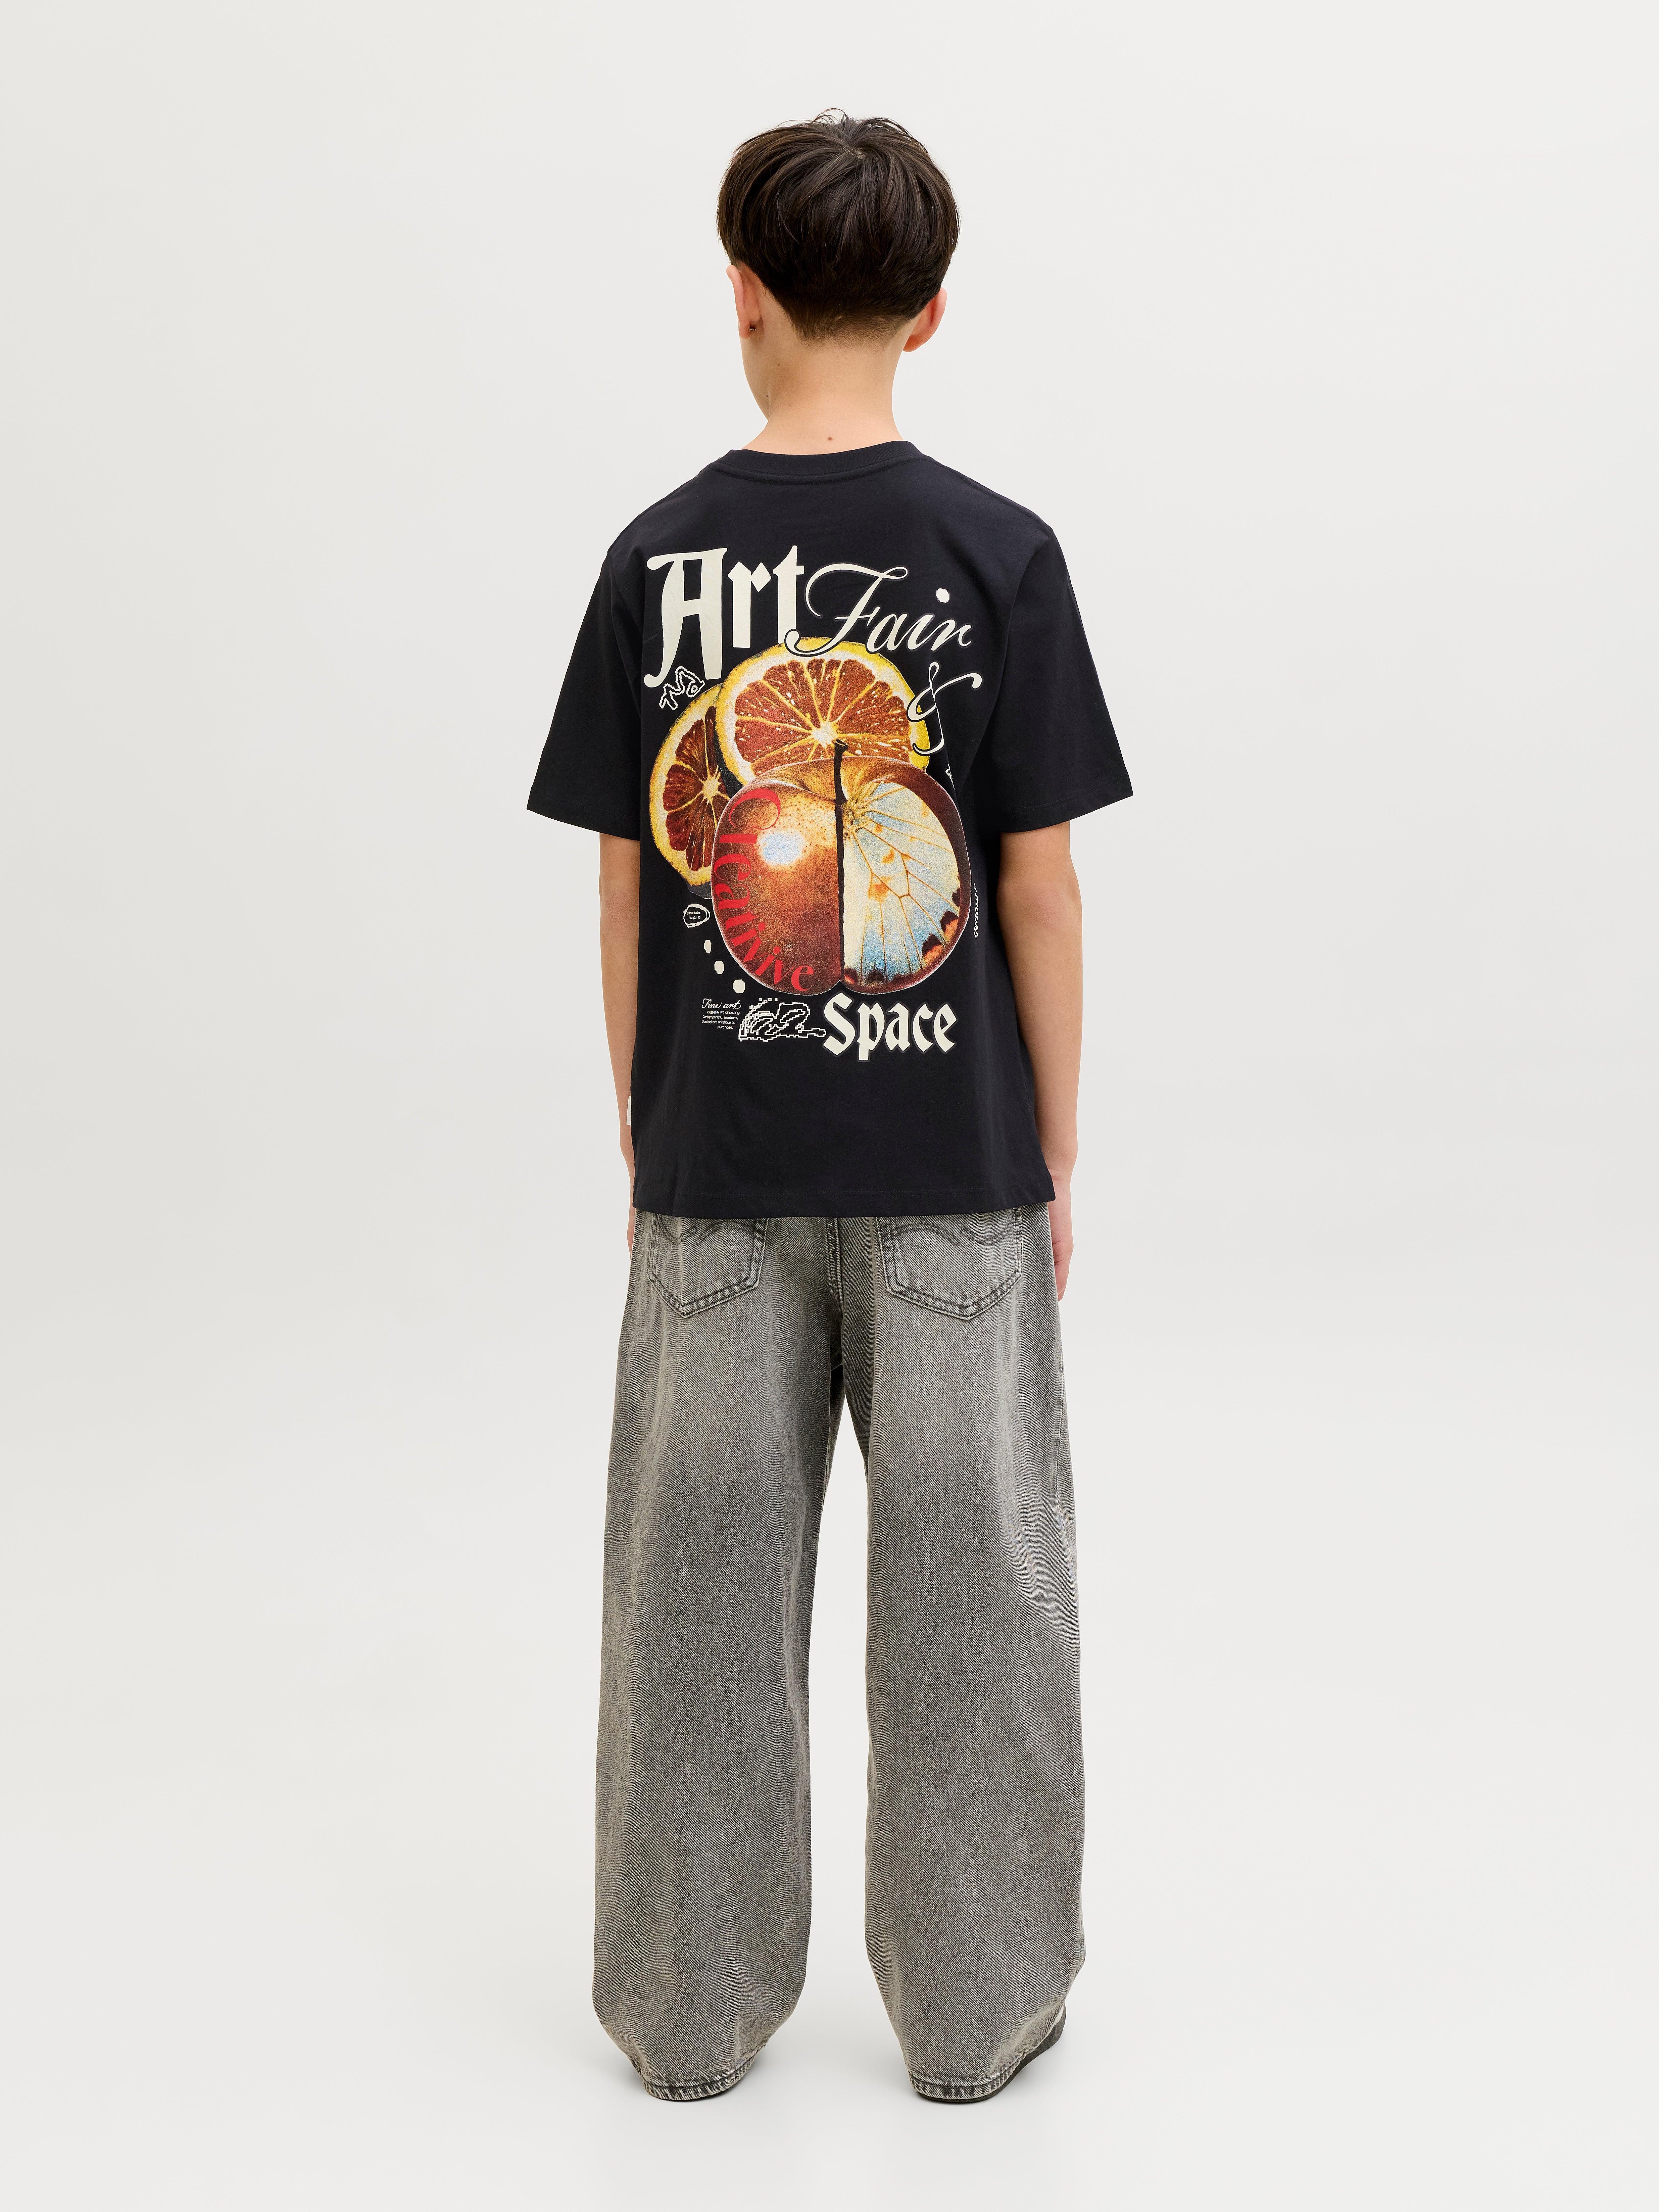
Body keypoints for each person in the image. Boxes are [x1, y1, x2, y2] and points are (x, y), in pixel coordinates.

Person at [527, 111, 1131, 2104]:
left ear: (743, 296)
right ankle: (979, 2017)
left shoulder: (655, 557)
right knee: (979, 1603)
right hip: (957, 1173)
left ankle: (685, 2020)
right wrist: (1054, 1146)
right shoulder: (1003, 551)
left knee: (692, 1601)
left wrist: (648, 1129)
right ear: (934, 311)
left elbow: (629, 886)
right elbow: (1036, 883)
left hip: (716, 1179)